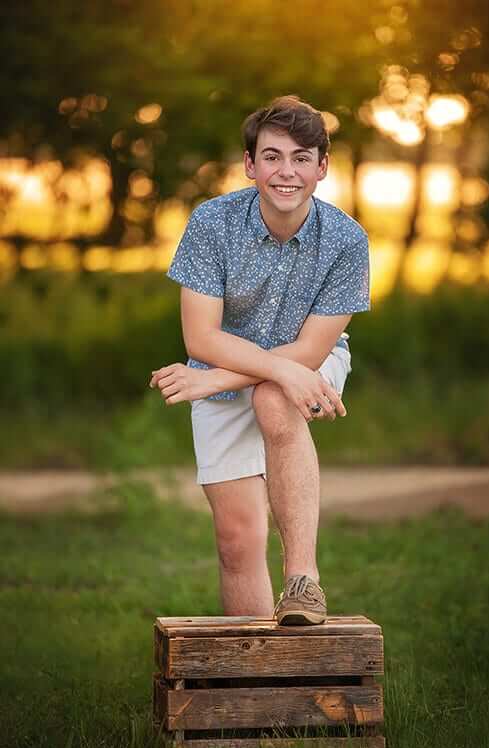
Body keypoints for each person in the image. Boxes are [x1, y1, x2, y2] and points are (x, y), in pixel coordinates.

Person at [149, 95, 370, 625]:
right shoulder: (212, 223)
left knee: (275, 398)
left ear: (322, 166)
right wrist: (223, 378)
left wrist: (211, 383)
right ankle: (253, 677)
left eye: (301, 157)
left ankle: (303, 582)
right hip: (224, 360)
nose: (286, 171)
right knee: (236, 539)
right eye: (272, 156)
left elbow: (311, 353)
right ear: (250, 165)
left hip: (305, 358)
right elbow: (201, 337)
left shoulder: (347, 240)